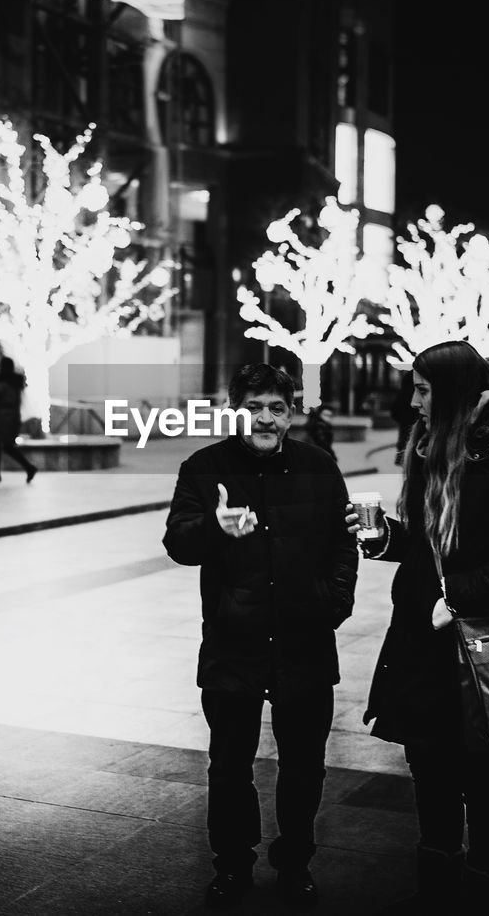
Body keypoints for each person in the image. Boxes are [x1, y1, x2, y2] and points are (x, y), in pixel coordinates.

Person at [346, 341, 489, 913]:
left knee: (478, 769)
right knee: (427, 761)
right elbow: (423, 541)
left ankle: (488, 883)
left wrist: (457, 597)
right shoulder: (430, 446)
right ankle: (437, 884)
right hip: (420, 635)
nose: (411, 401)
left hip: (468, 637)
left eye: (421, 389)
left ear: (454, 391)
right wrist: (384, 538)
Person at [163, 363, 358, 910]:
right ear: (234, 410)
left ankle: (295, 861)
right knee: (229, 766)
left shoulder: (319, 467)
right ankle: (232, 865)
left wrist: (333, 602)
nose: (266, 418)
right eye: (255, 407)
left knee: (303, 764)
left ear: (291, 412)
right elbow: (179, 543)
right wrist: (213, 528)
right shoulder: (204, 468)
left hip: (304, 641)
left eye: (277, 407)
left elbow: (343, 545)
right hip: (234, 643)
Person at [0, 357, 37, 483]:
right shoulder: (15, 383)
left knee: (0, 445)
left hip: (2, 419)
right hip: (11, 418)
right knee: (4, 446)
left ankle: (26, 468)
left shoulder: (4, 384)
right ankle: (27, 468)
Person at [390, 370, 417, 465]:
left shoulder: (402, 395)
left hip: (404, 432)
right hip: (416, 435)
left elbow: (394, 413)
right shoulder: (418, 396)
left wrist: (403, 420)